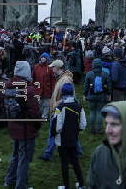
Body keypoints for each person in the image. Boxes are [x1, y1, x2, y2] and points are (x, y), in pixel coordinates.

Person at [4, 61, 41, 189]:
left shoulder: (7, 86)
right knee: (24, 159)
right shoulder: (28, 90)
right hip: (26, 128)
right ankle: (20, 185)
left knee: (16, 155)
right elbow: (35, 112)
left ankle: (9, 180)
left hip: (13, 125)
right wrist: (37, 125)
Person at [39, 59, 75, 161]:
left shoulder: (65, 80)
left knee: (53, 131)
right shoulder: (61, 78)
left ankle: (48, 153)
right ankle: (77, 150)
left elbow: (67, 96)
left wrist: (56, 106)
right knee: (66, 131)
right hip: (61, 109)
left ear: (58, 68)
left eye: (53, 67)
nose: (52, 69)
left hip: (60, 109)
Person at [52, 83, 86, 189]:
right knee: (75, 161)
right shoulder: (79, 107)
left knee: (64, 163)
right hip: (74, 138)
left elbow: (57, 126)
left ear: (63, 94)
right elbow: (83, 125)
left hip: (62, 140)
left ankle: (66, 186)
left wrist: (54, 133)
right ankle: (81, 184)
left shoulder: (60, 107)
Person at [84, 58, 111, 134]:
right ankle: (99, 129)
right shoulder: (105, 74)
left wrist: (85, 94)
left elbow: (86, 86)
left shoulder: (89, 74)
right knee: (99, 112)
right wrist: (109, 94)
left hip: (91, 96)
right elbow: (109, 86)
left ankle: (92, 129)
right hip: (102, 96)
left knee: (92, 112)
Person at [32, 52, 55, 119]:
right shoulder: (36, 67)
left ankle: (44, 115)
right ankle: (40, 114)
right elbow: (33, 78)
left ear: (47, 59)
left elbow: (52, 80)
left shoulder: (49, 68)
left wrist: (53, 89)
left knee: (46, 103)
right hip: (38, 88)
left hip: (47, 89)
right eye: (42, 57)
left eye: (44, 57)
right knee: (39, 103)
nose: (43, 59)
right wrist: (33, 86)